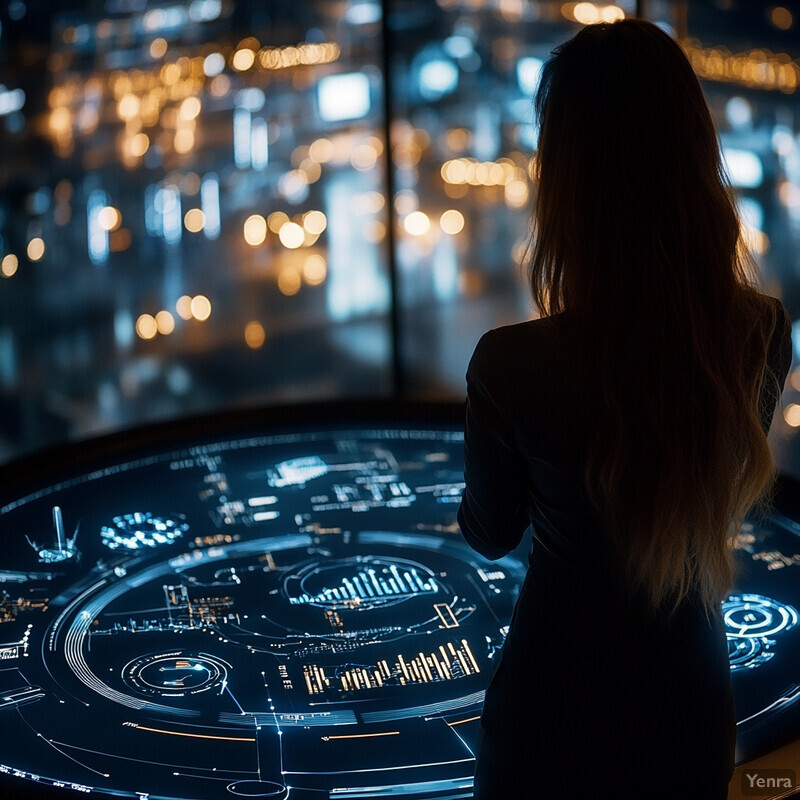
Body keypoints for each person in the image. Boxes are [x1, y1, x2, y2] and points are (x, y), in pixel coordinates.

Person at [457, 18, 793, 800]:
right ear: (693, 157)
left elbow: (489, 530)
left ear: (566, 179)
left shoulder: (510, 365)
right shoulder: (763, 334)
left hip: (551, 716)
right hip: (690, 707)